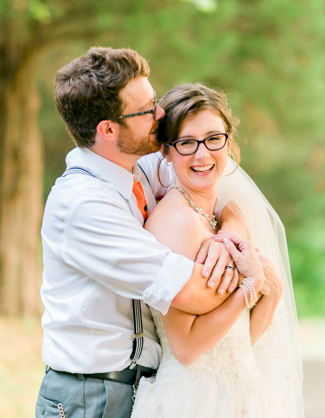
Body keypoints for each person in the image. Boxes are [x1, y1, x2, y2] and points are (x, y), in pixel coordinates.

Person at [36, 47, 265, 418]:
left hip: (142, 386)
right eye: (146, 110)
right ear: (108, 130)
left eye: (155, 101)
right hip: (90, 396)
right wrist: (249, 279)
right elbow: (190, 291)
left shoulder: (138, 165)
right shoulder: (84, 205)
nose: (161, 114)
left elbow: (212, 186)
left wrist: (230, 233)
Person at [130, 83, 304, 418]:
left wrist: (272, 294)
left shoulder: (216, 216)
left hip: (241, 395)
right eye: (186, 143)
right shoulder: (175, 223)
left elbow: (237, 346)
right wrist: (250, 289)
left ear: (228, 141)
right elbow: (187, 348)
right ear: (166, 151)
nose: (202, 155)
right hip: (192, 401)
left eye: (213, 138)